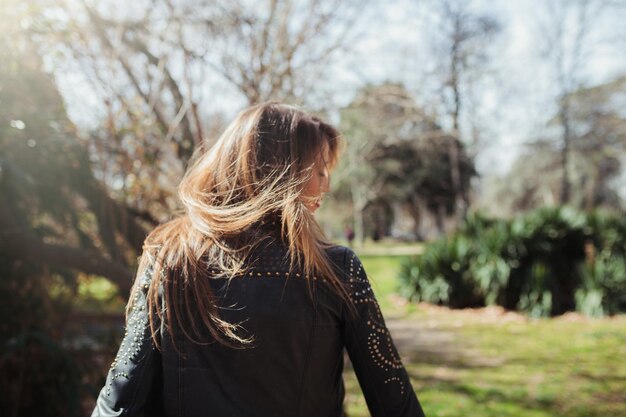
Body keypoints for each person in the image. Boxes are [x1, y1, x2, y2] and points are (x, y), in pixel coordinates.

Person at [91, 103, 426, 417]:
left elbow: (119, 403)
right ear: (281, 174)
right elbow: (396, 403)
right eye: (318, 169)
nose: (327, 183)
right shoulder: (337, 269)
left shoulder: (171, 259)